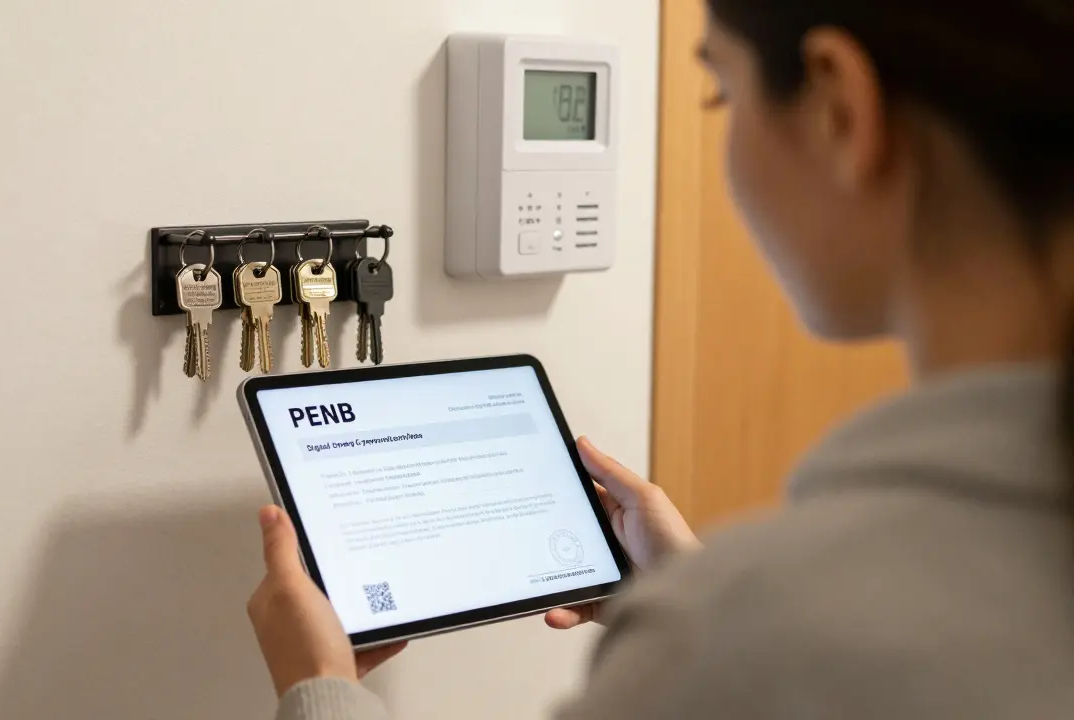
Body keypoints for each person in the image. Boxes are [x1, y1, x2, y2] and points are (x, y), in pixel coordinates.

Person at [246, 1, 1074, 717]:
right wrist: (697, 593)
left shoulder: (754, 638)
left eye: (722, 91)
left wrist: (320, 684)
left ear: (839, 108)